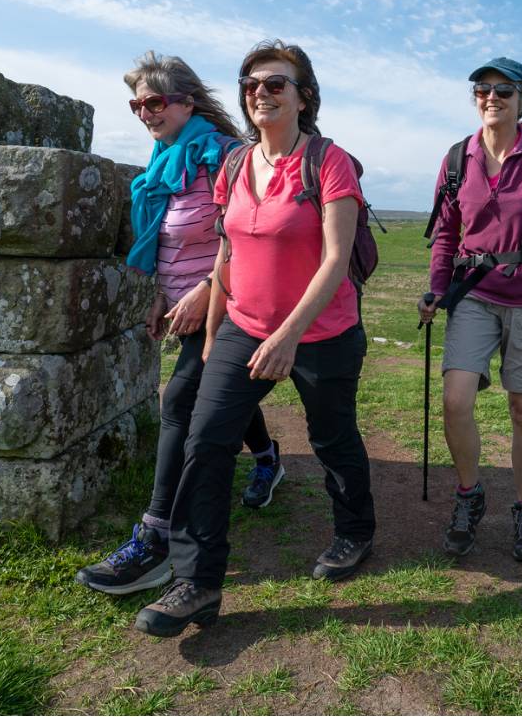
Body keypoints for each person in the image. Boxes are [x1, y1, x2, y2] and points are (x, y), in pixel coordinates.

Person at [133, 40, 376, 638]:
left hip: (322, 330)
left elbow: (337, 258)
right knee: (205, 440)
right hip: (243, 325)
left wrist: (290, 335)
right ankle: (197, 582)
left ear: (303, 97)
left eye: (275, 84)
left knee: (332, 437)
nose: (260, 93)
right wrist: (216, 335)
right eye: (250, 85)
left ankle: (354, 532)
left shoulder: (330, 161)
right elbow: (225, 255)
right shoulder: (238, 165)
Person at [75, 52, 285, 597]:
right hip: (186, 305)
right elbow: (168, 239)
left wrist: (208, 289)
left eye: (155, 101)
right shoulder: (167, 159)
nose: (145, 112)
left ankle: (157, 535)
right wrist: (160, 294)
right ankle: (267, 458)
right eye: (137, 104)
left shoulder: (224, 157)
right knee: (221, 401)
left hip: (231, 306)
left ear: (187, 101)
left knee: (179, 405)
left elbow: (243, 236)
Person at [418, 57, 522, 564]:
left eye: (504, 90)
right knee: (455, 400)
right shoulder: (456, 159)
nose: (492, 97)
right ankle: (470, 495)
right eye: (482, 89)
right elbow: (447, 233)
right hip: (474, 293)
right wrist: (436, 289)